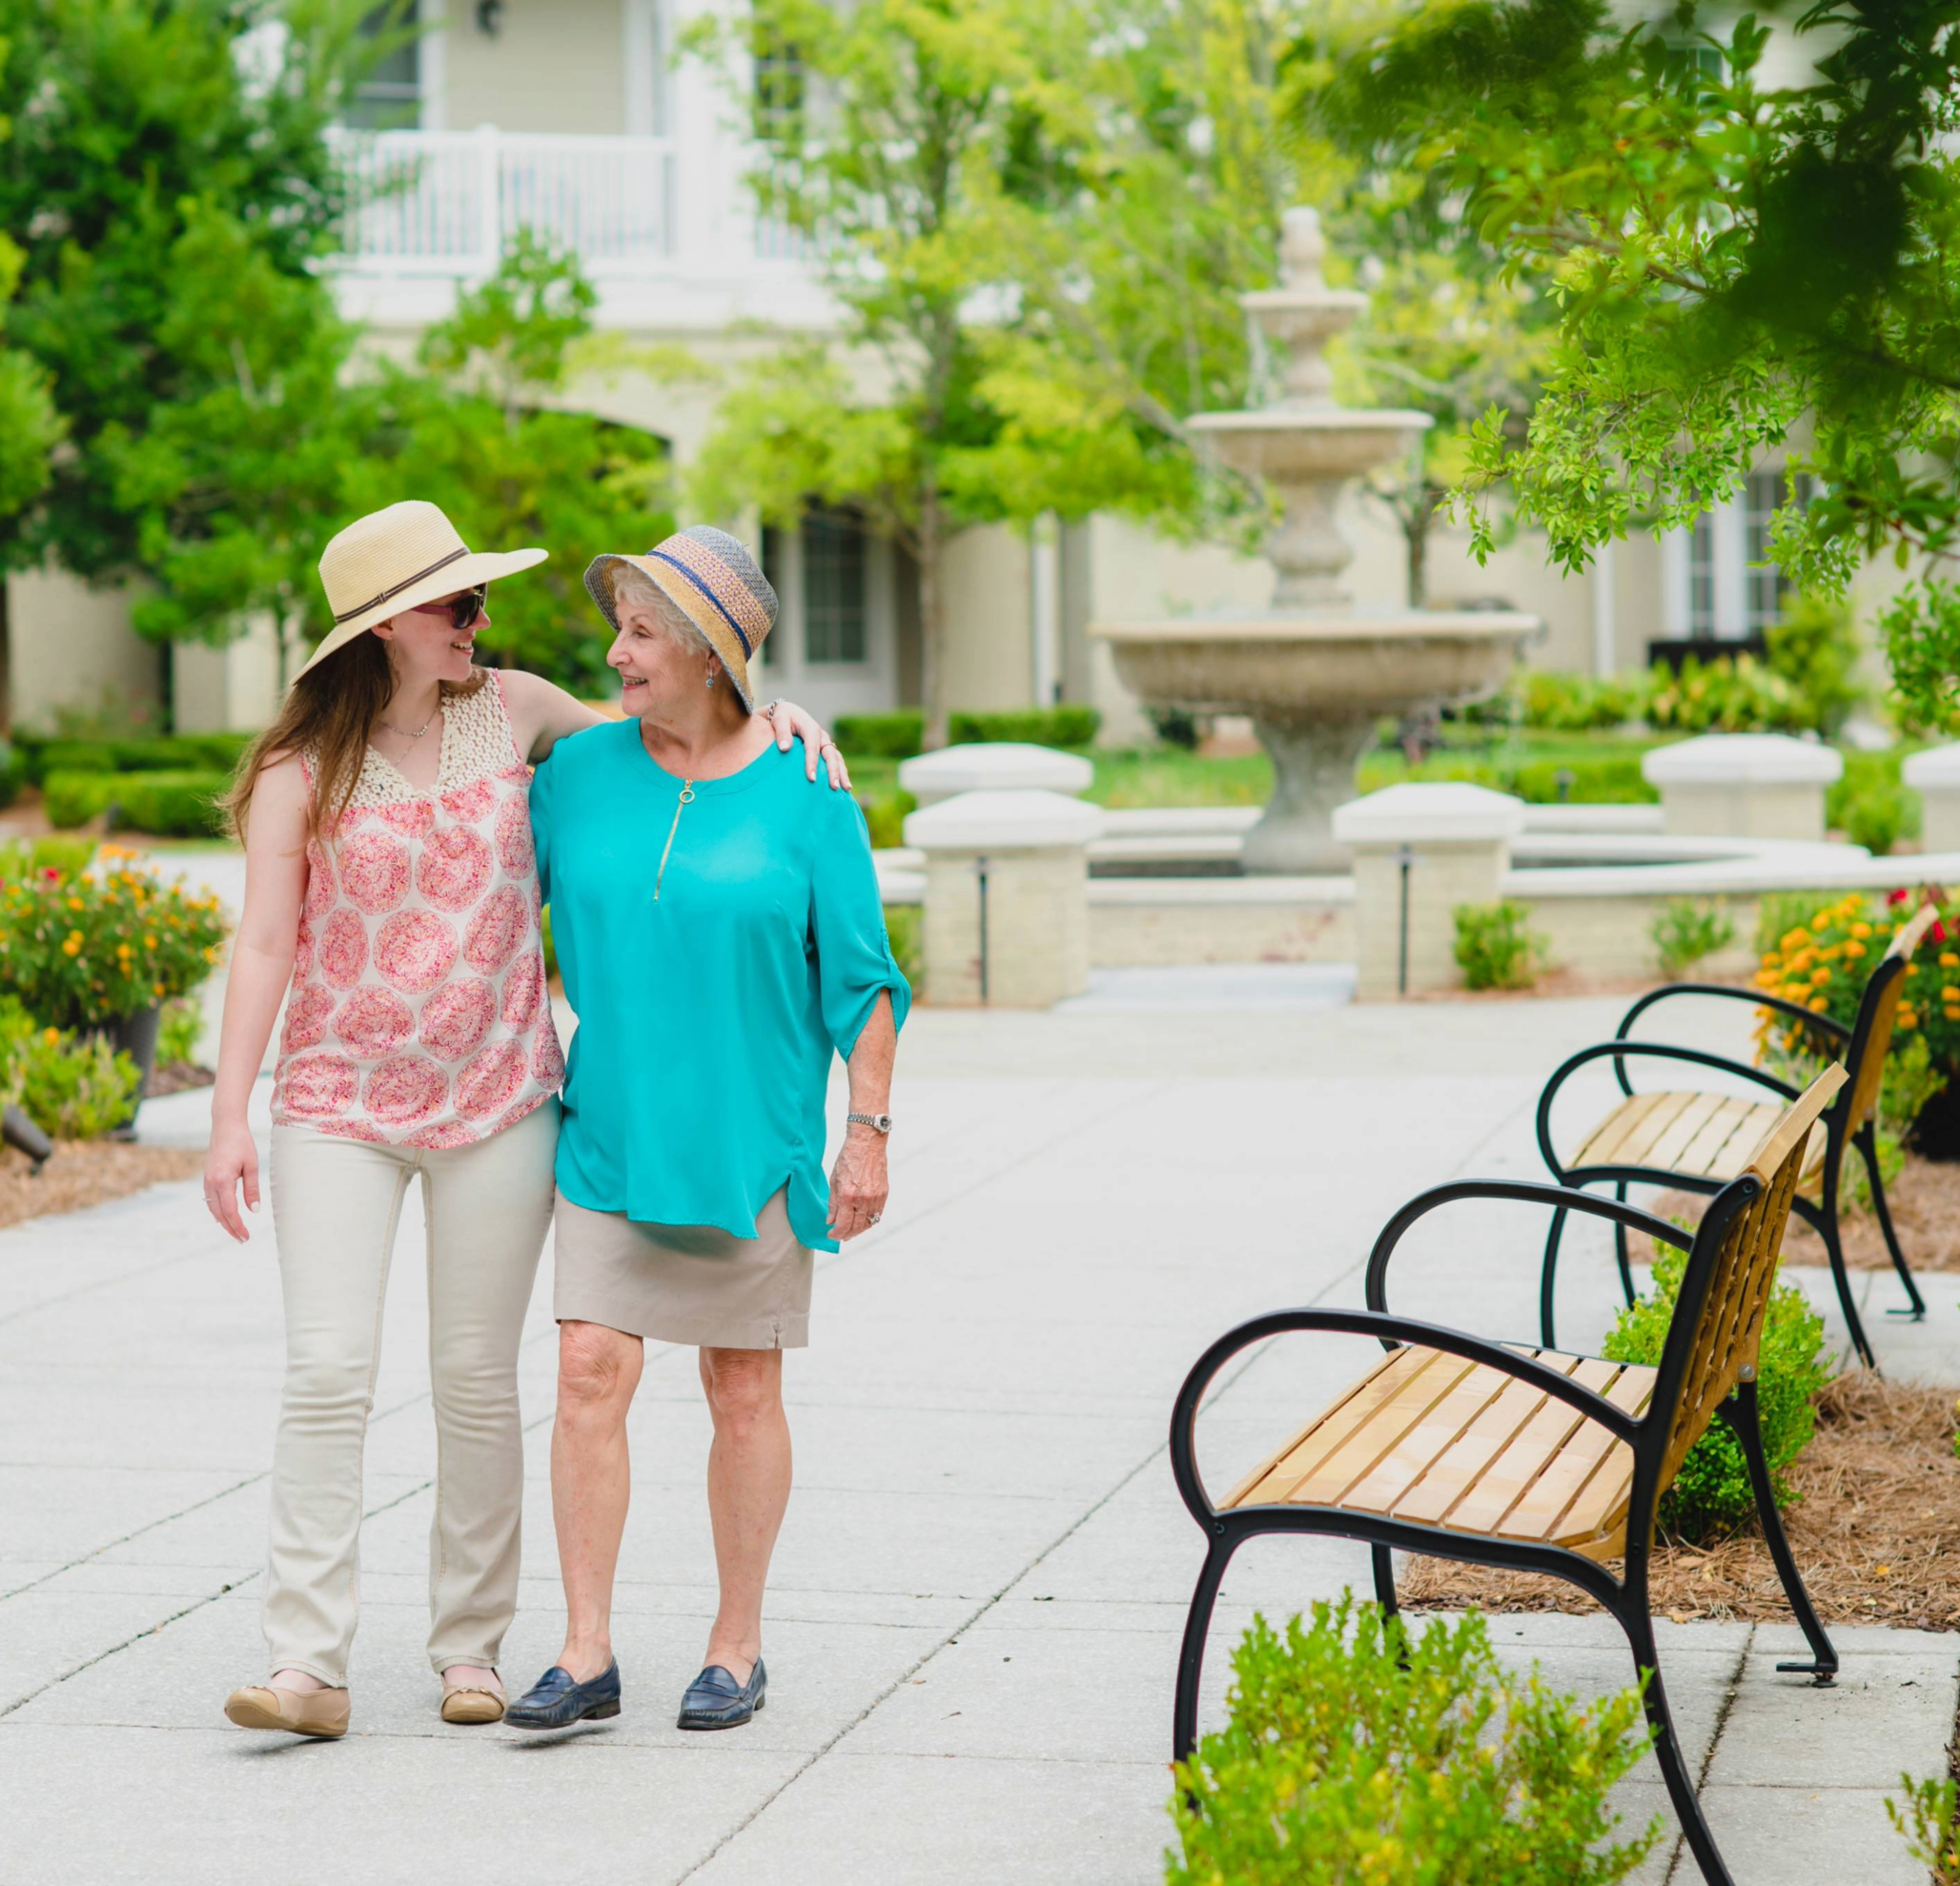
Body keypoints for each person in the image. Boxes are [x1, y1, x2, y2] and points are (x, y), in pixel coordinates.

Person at [204, 501, 845, 1738]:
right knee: (329, 1369)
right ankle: (305, 1664)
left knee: (476, 1379)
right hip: (337, 1100)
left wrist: (778, 718)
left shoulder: (520, 709)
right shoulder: (300, 770)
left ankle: (469, 1650)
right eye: (456, 605)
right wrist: (230, 1111)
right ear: (388, 623)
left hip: (500, 1098)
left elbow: (678, 743)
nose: (479, 621)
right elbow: (267, 940)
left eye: (478, 602)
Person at [503, 525, 908, 1732]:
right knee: (586, 1370)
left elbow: (868, 980)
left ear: (709, 654)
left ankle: (737, 1645)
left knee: (740, 1386)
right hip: (613, 1132)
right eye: (618, 625)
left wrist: (868, 1128)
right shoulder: (575, 774)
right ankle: (585, 1652)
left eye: (639, 632)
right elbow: (490, 913)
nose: (615, 651)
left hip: (752, 1143)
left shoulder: (807, 791)